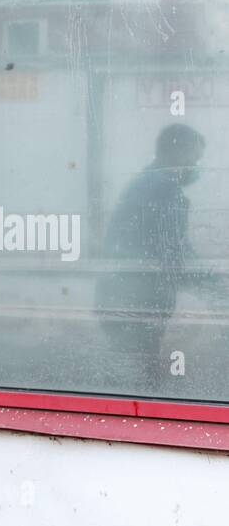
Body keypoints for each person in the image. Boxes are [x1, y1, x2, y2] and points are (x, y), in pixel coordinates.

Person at [96, 124, 214, 393]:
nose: (196, 167)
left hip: (124, 302)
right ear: (177, 153)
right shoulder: (165, 192)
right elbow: (175, 253)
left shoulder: (147, 184)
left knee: (133, 380)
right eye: (194, 159)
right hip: (135, 306)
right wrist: (215, 283)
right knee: (139, 387)